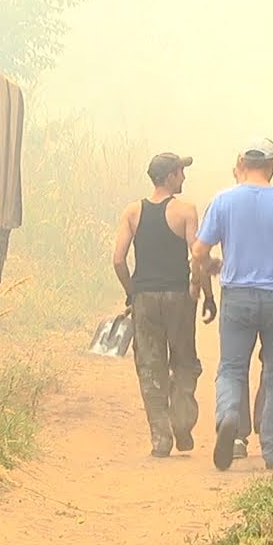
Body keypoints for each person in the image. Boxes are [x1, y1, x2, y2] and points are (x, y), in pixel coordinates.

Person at [191, 137, 273, 472]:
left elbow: (198, 251)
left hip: (237, 298)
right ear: (272, 165)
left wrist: (209, 266)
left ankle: (229, 416)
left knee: (231, 369)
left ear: (242, 163)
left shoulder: (223, 200)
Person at [111, 152, 217, 458]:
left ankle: (161, 438)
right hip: (178, 297)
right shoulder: (185, 211)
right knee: (184, 362)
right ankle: (181, 423)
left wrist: (132, 293)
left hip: (145, 298)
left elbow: (118, 260)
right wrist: (206, 294)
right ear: (170, 176)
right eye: (181, 172)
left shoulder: (133, 212)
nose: (184, 177)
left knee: (150, 366)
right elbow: (198, 257)